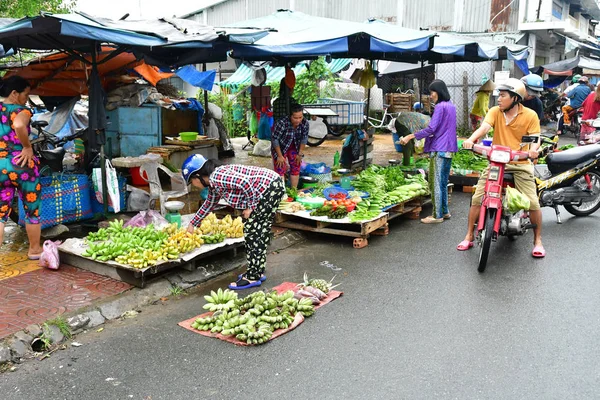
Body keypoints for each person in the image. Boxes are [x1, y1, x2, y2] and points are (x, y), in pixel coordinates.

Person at [458, 78, 545, 258]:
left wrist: (533, 151)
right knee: (477, 198)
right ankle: (469, 235)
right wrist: (470, 140)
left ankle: (537, 241)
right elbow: (484, 128)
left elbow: (535, 138)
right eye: (499, 95)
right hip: (497, 163)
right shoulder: (495, 112)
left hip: (520, 164)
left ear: (515, 98)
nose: (498, 99)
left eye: (503, 95)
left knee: (533, 202)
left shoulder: (530, 115)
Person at [183, 155, 285, 290]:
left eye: (192, 182)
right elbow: (209, 203)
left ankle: (253, 276)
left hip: (268, 188)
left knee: (252, 232)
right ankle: (257, 271)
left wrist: (250, 206)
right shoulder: (214, 183)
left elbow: (245, 182)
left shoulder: (217, 177)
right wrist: (193, 223)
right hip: (272, 185)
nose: (194, 186)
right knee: (260, 230)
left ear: (197, 176)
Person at [399, 79, 457, 223]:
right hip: (449, 149)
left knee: (435, 182)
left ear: (439, 92)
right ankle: (444, 212)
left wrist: (410, 136)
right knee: (443, 182)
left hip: (439, 149)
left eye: (432, 92)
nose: (431, 95)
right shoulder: (451, 106)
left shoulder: (439, 107)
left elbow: (432, 128)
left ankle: (437, 215)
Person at [0, 76, 43, 260]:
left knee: (1, 212)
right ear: (14, 93)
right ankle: (34, 250)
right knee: (32, 209)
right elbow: (18, 124)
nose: (27, 98)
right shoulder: (21, 110)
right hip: (21, 164)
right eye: (26, 94)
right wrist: (27, 147)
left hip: (0, 166)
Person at [271, 104, 308, 189]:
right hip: (281, 148)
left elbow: (304, 138)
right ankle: (282, 193)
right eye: (295, 118)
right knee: (280, 167)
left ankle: (293, 191)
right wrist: (279, 156)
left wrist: (300, 154)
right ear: (290, 116)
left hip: (295, 147)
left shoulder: (305, 123)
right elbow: (275, 139)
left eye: (300, 117)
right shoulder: (282, 122)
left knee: (296, 165)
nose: (298, 120)